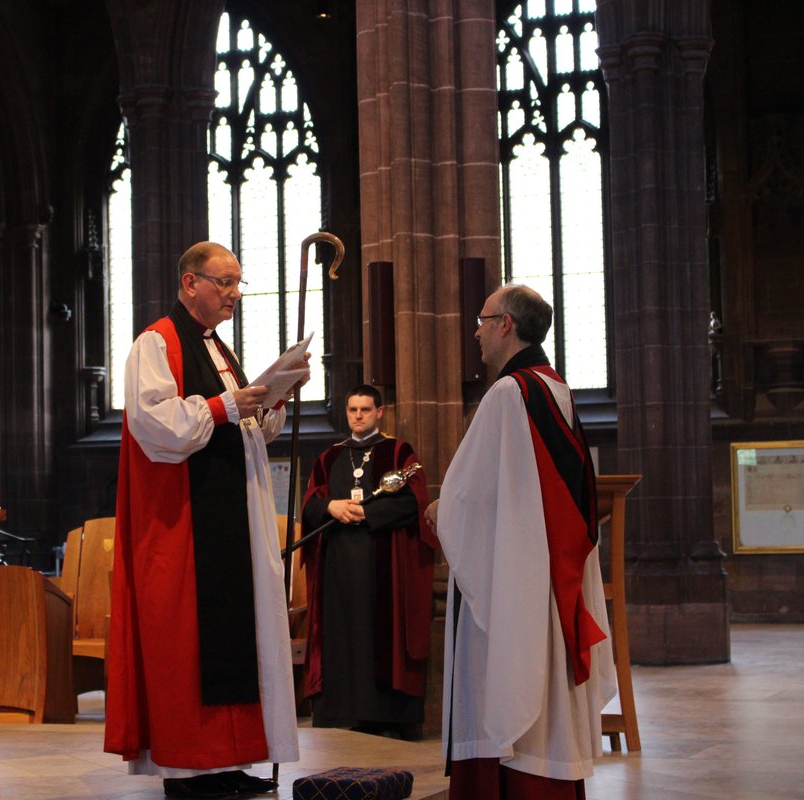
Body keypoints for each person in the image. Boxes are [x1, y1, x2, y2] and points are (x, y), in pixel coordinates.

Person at [106, 242, 303, 799]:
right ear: (190, 283)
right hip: (186, 522)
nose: (234, 293)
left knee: (239, 637)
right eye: (225, 282)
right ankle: (191, 769)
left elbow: (246, 432)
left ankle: (229, 760)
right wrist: (227, 407)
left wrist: (271, 403)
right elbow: (156, 425)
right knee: (191, 641)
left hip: (232, 515)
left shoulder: (218, 349)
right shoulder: (157, 342)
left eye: (239, 283)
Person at [425, 284, 616, 799]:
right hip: (549, 576)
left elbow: (475, 499)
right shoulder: (554, 387)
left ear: (506, 324)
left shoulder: (510, 393)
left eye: (483, 319)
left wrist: (440, 512)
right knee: (545, 693)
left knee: (508, 690)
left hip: (515, 581)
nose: (476, 331)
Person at [299, 384, 435, 739]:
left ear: (379, 412)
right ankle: (344, 711)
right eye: (352, 410)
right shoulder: (329, 458)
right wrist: (330, 506)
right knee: (343, 634)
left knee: (382, 634)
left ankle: (388, 716)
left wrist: (365, 513)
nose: (358, 416)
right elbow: (311, 503)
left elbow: (413, 503)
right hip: (338, 570)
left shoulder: (397, 452)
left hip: (384, 564)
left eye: (365, 409)